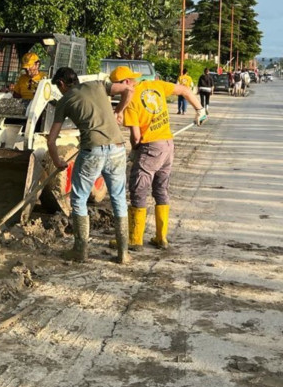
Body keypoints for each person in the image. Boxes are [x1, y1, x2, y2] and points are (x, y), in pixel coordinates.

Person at [47, 67, 134, 264]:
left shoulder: (65, 100)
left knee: (79, 200)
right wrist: (118, 112)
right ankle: (123, 254)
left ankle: (80, 251)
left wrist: (57, 161)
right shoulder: (99, 84)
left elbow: (51, 140)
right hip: (118, 148)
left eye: (58, 87)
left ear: (61, 84)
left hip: (92, 151)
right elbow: (129, 90)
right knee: (118, 198)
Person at [115, 66, 206, 250]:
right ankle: (161, 238)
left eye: (115, 85)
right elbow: (185, 90)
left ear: (125, 83)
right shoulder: (155, 85)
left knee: (138, 191)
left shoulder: (130, 100)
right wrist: (200, 109)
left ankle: (135, 239)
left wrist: (134, 150)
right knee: (161, 189)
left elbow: (136, 136)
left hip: (150, 148)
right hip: (167, 145)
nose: (114, 88)